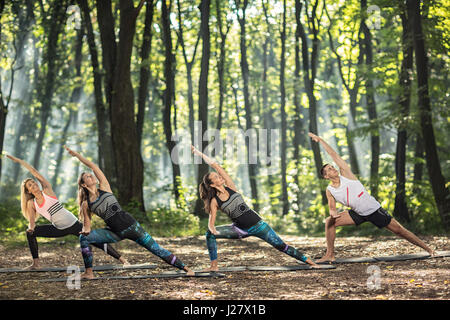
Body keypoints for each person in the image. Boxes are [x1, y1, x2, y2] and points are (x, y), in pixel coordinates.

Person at [64, 146, 195, 278]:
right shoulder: (87, 204)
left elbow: (93, 166)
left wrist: (77, 155)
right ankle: (89, 272)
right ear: (84, 184)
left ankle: (186, 268)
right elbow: (87, 225)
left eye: (90, 174)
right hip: (115, 232)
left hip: (132, 227)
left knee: (156, 249)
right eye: (87, 176)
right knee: (84, 238)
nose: (91, 175)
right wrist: (85, 231)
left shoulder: (104, 187)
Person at [308, 132, 436, 263]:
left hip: (373, 209)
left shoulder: (345, 174)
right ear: (326, 176)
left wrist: (321, 140)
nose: (332, 168)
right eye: (329, 169)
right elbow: (332, 207)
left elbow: (333, 155)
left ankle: (429, 250)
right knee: (330, 221)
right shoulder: (329, 190)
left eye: (332, 166)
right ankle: (330, 254)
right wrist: (333, 214)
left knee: (400, 231)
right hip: (357, 213)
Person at [191, 145, 319, 271]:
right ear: (213, 184)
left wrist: (199, 154)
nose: (220, 176)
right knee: (209, 235)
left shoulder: (230, 186)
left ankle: (310, 262)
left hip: (259, 226)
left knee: (281, 246)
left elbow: (215, 165)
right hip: (240, 230)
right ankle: (214, 266)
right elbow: (211, 221)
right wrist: (212, 229)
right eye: (216, 177)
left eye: (218, 175)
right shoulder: (215, 201)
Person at [5, 154, 127, 270]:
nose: (33, 185)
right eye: (30, 186)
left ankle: (123, 260)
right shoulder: (31, 203)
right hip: (58, 228)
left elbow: (35, 172)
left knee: (96, 241)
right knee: (30, 234)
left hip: (73, 224)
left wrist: (20, 161)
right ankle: (36, 263)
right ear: (29, 191)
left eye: (33, 183)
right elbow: (32, 222)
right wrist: (30, 228)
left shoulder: (46, 190)